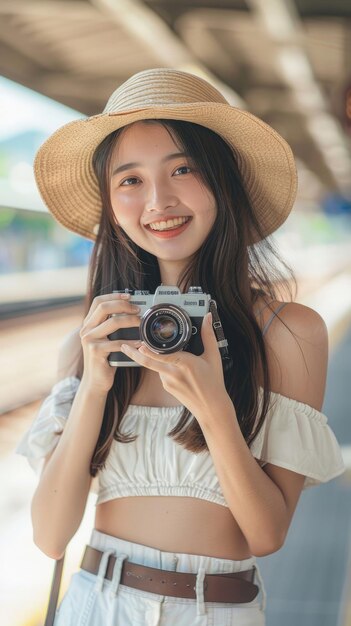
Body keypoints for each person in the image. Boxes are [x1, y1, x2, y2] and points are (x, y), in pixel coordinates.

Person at [17, 68, 345, 626]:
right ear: (110, 203)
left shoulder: (290, 333)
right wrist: (94, 387)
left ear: (224, 180)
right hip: (94, 604)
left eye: (183, 169)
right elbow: (50, 537)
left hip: (214, 611)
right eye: (130, 180)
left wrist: (214, 407)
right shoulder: (92, 342)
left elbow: (266, 535)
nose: (158, 200)